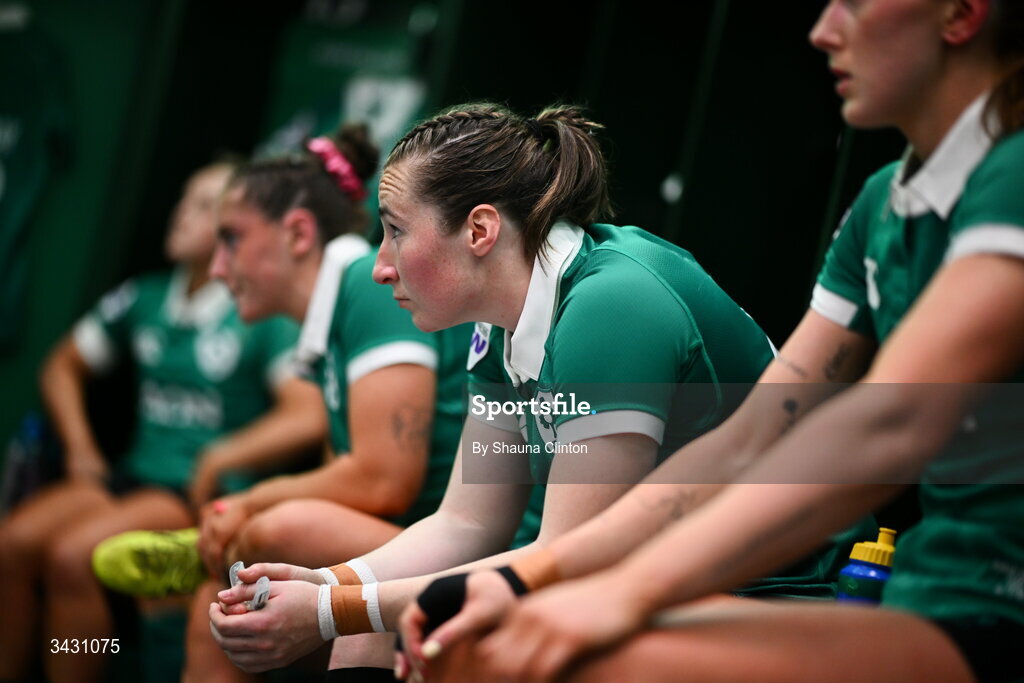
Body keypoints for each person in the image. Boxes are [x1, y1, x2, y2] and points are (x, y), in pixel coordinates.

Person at [397, 1, 1024, 681]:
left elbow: (889, 422)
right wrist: (528, 580)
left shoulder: (1013, 178)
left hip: (986, 605)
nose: (822, 30)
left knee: (526, 659)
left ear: (961, 14)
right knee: (461, 641)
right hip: (930, 591)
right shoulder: (883, 200)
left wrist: (616, 590)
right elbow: (755, 434)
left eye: (853, 2)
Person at [204, 103, 838, 679]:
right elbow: (468, 520)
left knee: (451, 642)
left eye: (396, 230)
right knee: (370, 632)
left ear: (480, 231)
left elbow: (570, 560)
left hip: (781, 597)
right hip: (666, 584)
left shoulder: (609, 307)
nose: (380, 265)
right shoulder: (502, 318)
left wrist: (328, 610)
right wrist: (326, 587)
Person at [92, 123, 476, 683]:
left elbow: (381, 479)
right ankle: (214, 555)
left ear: (297, 234)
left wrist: (249, 505)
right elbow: (356, 485)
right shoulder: (329, 319)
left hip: (472, 551)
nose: (218, 269)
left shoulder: (368, 288)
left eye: (232, 239)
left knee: (265, 548)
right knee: (228, 604)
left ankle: (220, 548)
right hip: (413, 540)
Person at [0, 160, 326, 683]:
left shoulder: (257, 310)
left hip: (190, 492)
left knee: (73, 557)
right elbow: (62, 365)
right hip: (128, 476)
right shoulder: (145, 297)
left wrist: (222, 455)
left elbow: (308, 414)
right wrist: (82, 449)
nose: (181, 214)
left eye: (203, 205)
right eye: (183, 199)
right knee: (13, 543)